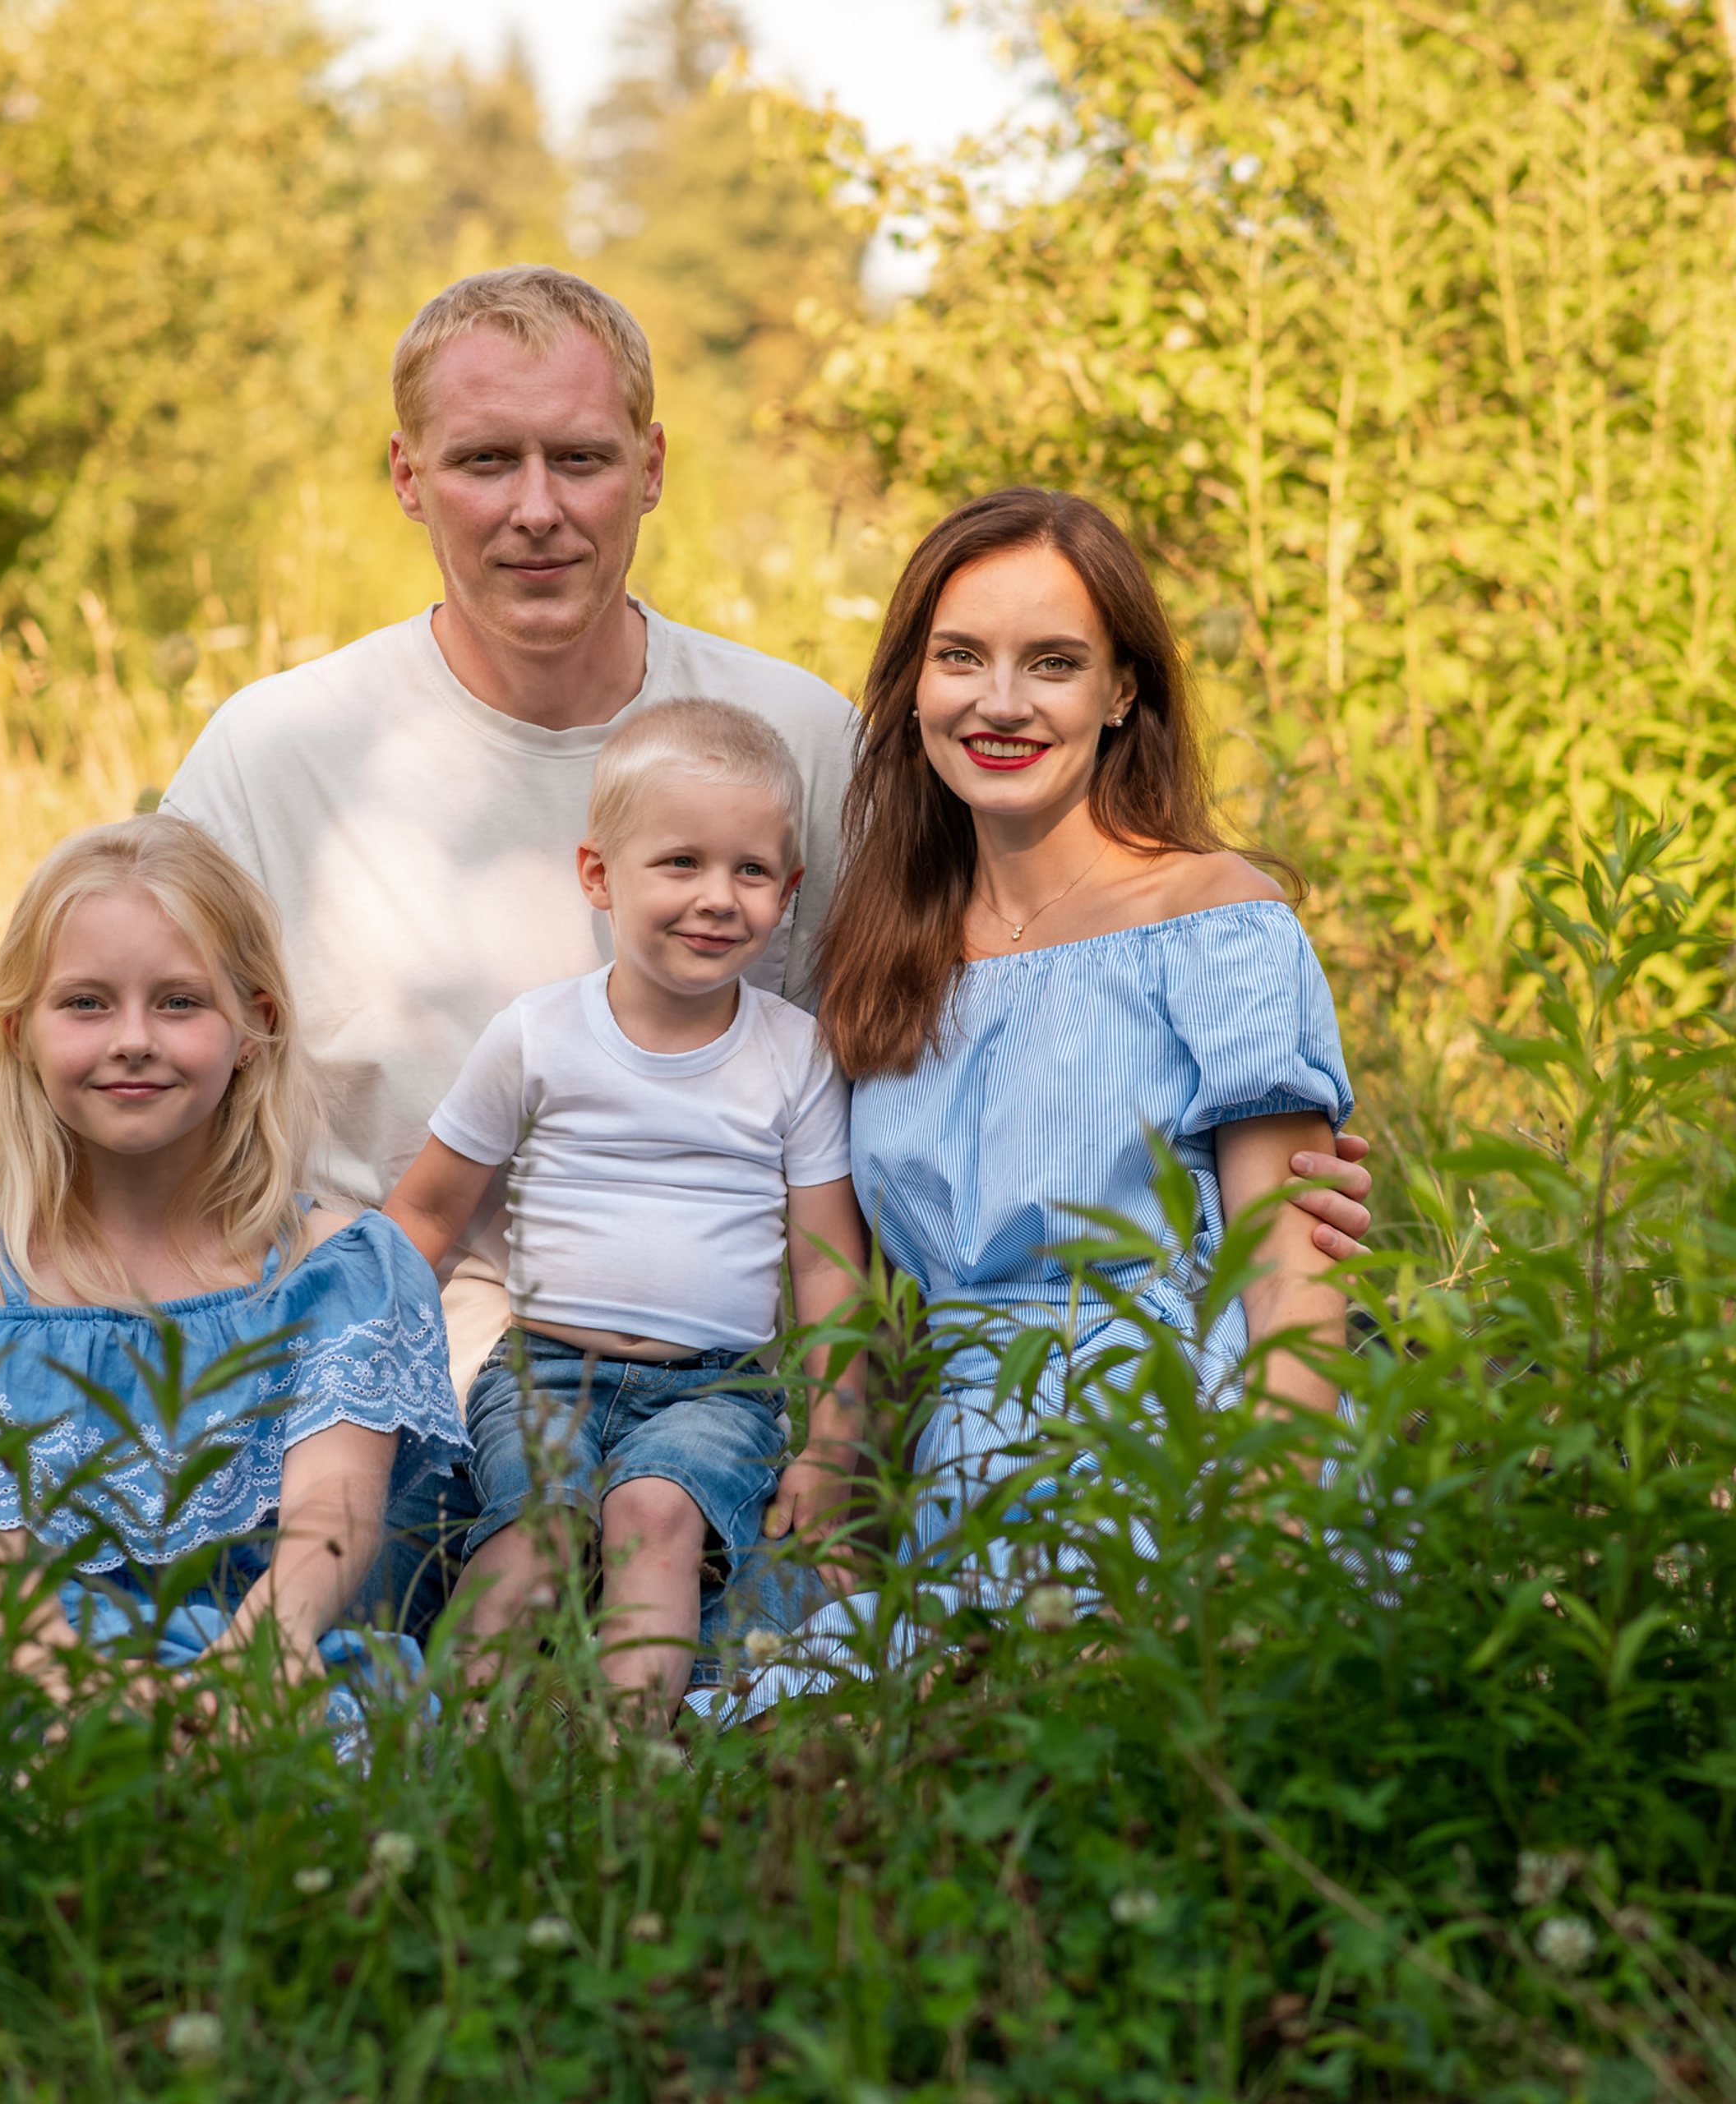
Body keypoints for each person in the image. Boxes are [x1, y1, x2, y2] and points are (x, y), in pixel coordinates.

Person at [159, 265, 1375, 1636]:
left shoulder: (789, 745)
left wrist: (1270, 1212)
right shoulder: (274, 754)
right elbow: (123, 1079)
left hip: (735, 1401)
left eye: (582, 457)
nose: (537, 508)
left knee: (764, 1713)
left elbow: (902, 1153)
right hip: (393, 1405)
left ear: (654, 466)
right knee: (242, 1658)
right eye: (486, 460)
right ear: (406, 474)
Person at [713, 487, 1358, 1718]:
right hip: (950, 1470)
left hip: (1175, 1440)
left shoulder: (1215, 919)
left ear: (1123, 693)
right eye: (963, 657)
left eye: (1053, 664)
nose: (1000, 703)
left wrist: (1264, 1528)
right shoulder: (885, 940)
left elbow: (1291, 1272)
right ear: (912, 684)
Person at [0, 816, 469, 1738]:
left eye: (178, 1001)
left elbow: (332, 1511)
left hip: (259, 1653)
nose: (132, 1038)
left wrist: (255, 1665)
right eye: (86, 1003)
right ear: (19, 1033)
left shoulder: (335, 1275)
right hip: (17, 1670)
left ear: (257, 1025)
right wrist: (87, 1702)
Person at [382, 702, 866, 1725]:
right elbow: (424, 1214)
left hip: (718, 1389)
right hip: (547, 1370)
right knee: (532, 1538)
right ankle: (436, 1762)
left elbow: (827, 1266)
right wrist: (351, 1369)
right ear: (600, 876)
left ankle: (627, 1766)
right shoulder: (538, 1037)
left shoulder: (792, 1053)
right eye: (678, 863)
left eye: (748, 872)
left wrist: (830, 1439)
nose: (714, 899)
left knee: (655, 1517)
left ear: (789, 891)